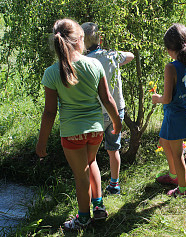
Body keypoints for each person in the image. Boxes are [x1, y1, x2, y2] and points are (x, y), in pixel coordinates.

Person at [36, 19, 122, 230]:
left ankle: (83, 218)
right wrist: (117, 123)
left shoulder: (52, 72)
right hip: (95, 130)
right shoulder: (94, 64)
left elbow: (49, 112)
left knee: (80, 173)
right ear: (80, 40)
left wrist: (41, 143)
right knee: (91, 162)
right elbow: (108, 99)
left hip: (72, 133)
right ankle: (99, 206)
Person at [81, 22, 134, 195]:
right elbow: (131, 56)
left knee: (90, 154)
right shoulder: (111, 56)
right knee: (114, 149)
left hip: (96, 111)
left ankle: (90, 187)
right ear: (101, 39)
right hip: (117, 110)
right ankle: (114, 184)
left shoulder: (85, 61)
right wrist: (115, 57)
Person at [152, 23, 186, 197]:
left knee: (178, 153)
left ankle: (182, 189)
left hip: (175, 115)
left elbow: (166, 98)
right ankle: (173, 175)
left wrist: (156, 98)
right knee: (164, 141)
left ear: (168, 49)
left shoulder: (171, 67)